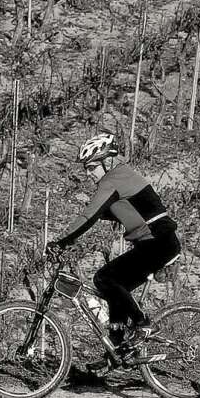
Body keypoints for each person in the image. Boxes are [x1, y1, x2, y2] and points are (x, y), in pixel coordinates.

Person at [46, 133, 181, 354]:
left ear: (107, 161)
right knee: (115, 288)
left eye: (92, 168)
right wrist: (73, 241)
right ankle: (117, 350)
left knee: (103, 278)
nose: (89, 174)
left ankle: (142, 324)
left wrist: (61, 242)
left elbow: (88, 216)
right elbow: (101, 214)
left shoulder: (114, 180)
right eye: (86, 169)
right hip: (156, 243)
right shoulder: (120, 177)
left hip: (158, 243)